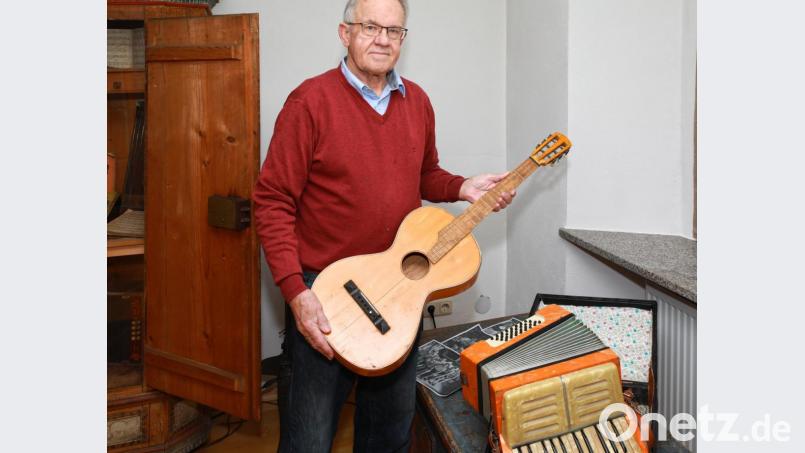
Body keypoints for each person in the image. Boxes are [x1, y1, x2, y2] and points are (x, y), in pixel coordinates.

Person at [253, 0, 515, 451]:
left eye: (394, 31)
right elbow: (272, 200)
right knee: (308, 439)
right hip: (328, 291)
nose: (383, 39)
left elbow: (424, 174)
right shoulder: (309, 101)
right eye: (370, 27)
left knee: (389, 435)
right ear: (344, 33)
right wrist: (297, 292)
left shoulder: (417, 102)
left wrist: (462, 186)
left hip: (398, 292)